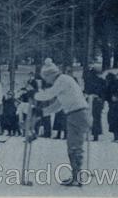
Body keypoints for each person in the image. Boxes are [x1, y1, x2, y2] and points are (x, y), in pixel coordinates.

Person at [34, 58, 90, 187]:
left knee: (75, 146)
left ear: (50, 75)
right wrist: (42, 112)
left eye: (46, 78)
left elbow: (49, 95)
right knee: (72, 146)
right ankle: (76, 175)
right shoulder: (63, 82)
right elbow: (57, 105)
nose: (46, 81)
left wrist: (35, 95)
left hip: (78, 114)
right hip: (74, 114)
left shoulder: (62, 80)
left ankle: (77, 177)